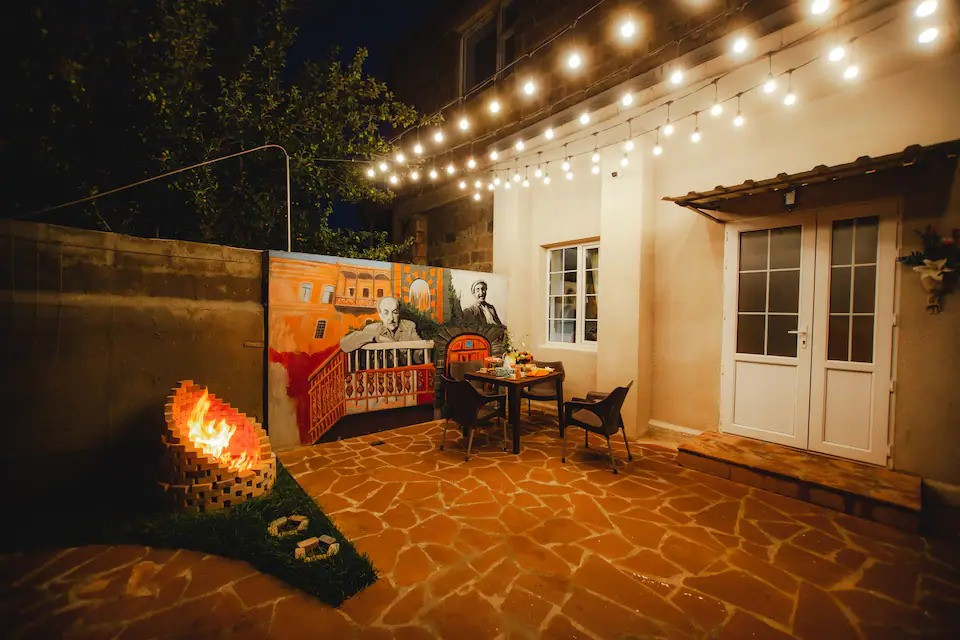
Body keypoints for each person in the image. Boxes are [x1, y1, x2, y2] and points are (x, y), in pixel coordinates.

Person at [340, 296, 422, 354]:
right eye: (386, 313)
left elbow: (420, 349)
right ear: (380, 315)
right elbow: (344, 344)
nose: (391, 318)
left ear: (399, 313)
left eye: (395, 312)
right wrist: (378, 338)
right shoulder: (372, 329)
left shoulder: (409, 326)